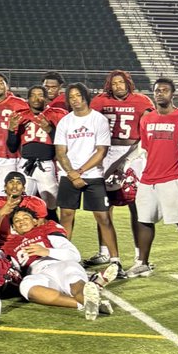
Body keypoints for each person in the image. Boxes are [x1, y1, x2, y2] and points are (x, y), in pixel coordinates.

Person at [131, 77, 178, 288]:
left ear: (173, 94)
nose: (160, 93)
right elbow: (147, 148)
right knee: (144, 220)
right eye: (157, 90)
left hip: (172, 178)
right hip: (148, 178)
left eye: (164, 90)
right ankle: (142, 263)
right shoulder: (146, 119)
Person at [88, 70, 153, 269]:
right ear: (109, 85)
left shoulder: (142, 101)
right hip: (106, 153)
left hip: (133, 152)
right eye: (114, 83)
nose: (118, 86)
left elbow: (149, 126)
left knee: (137, 204)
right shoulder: (99, 101)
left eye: (121, 82)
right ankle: (104, 252)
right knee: (104, 205)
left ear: (128, 83)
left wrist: (138, 152)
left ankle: (140, 257)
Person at [2, 206, 113, 320]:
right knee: (26, 287)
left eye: (25, 218)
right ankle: (89, 302)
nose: (21, 222)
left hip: (62, 266)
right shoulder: (9, 246)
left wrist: (46, 251)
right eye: (17, 220)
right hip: (39, 274)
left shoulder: (46, 230)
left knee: (75, 284)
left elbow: (74, 255)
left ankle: (89, 296)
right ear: (13, 227)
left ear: (35, 221)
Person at [53, 83, 120, 267]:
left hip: (93, 175)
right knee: (66, 215)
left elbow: (101, 152)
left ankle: (115, 260)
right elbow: (60, 152)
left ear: (85, 96)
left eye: (78, 95)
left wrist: (80, 172)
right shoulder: (65, 121)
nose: (74, 99)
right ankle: (65, 258)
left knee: (103, 217)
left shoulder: (98, 120)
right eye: (71, 97)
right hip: (69, 176)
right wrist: (71, 174)